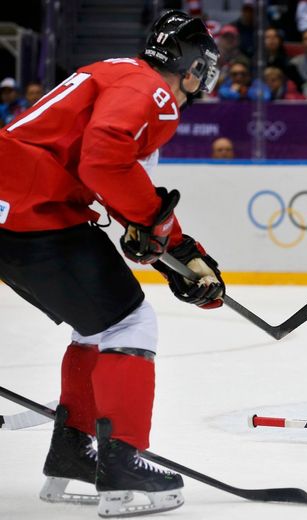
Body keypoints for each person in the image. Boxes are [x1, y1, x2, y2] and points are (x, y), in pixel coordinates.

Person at [0, 11, 225, 517]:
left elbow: (122, 179)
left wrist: (181, 255)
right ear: (191, 67)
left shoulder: (118, 72)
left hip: (16, 206)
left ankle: (72, 453)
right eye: (204, 67)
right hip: (35, 210)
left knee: (95, 326)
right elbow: (103, 161)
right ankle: (121, 460)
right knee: (130, 321)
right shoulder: (153, 93)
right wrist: (158, 230)